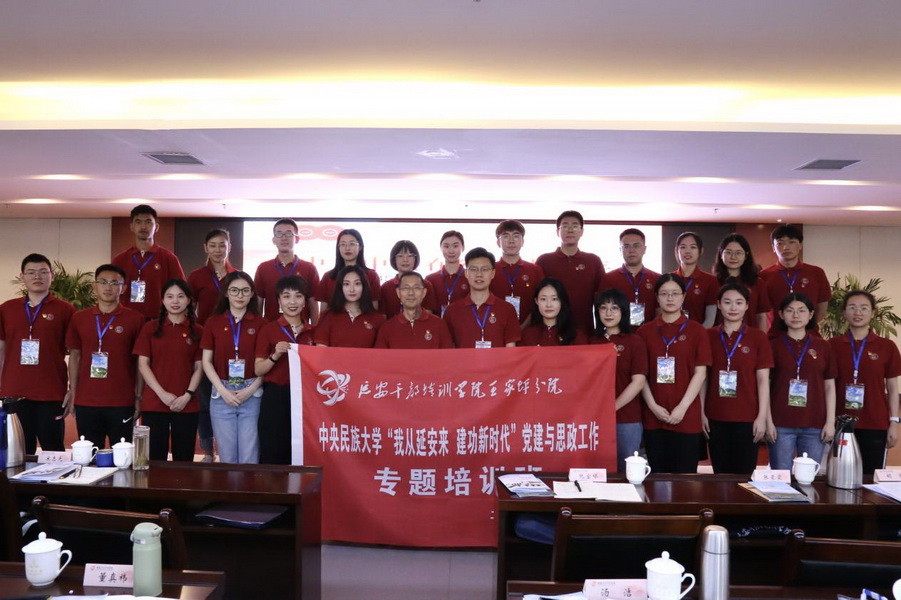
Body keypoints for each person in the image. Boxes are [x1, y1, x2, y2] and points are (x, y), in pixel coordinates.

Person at [0, 253, 75, 453]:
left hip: (51, 392)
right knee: (17, 453)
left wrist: (72, 389)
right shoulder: (7, 309)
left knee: (53, 452)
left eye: (43, 272)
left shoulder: (66, 310)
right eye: (31, 272)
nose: (37, 276)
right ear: (22, 276)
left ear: (52, 276)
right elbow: (1, 349)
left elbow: (76, 354)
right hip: (14, 392)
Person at [636, 274, 711, 473]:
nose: (670, 298)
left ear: (684, 296)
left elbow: (700, 373)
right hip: (654, 416)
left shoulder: (697, 331)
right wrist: (653, 406)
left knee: (685, 478)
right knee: (656, 477)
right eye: (664, 294)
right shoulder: (644, 332)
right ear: (657, 297)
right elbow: (640, 376)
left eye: (675, 293)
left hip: (686, 416)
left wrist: (682, 408)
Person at [65, 264, 145, 447]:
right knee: (89, 457)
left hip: (122, 400)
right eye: (103, 282)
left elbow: (140, 363)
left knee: (123, 456)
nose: (108, 287)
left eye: (114, 283)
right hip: (86, 400)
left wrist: (139, 397)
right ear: (95, 286)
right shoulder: (79, 318)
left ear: (123, 288)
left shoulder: (135, 319)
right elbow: (75, 357)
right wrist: (74, 393)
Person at [701, 283, 774, 474]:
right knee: (720, 475)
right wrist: (701, 412)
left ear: (747, 306)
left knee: (745, 476)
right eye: (727, 302)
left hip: (748, 417)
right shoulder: (708, 336)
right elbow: (703, 379)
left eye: (739, 302)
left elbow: (763, 381)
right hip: (715, 416)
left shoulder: (758, 337)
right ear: (719, 304)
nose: (733, 307)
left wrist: (762, 417)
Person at [828, 290, 901, 474]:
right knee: (839, 476)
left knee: (870, 478)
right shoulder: (832, 345)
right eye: (852, 307)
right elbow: (826, 387)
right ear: (844, 312)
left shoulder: (886, 346)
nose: (858, 312)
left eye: (864, 308)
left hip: (875, 422)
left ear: (873, 312)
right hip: (839, 422)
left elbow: (893, 388)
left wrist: (894, 422)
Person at [134, 279, 204, 462]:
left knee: (184, 459)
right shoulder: (149, 328)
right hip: (155, 402)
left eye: (180, 296)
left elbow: (199, 367)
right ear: (163, 300)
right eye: (170, 296)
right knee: (155, 459)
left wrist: (187, 395)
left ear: (189, 300)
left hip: (187, 403)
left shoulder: (198, 331)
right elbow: (143, 364)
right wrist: (162, 393)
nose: (175, 301)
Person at [200, 271, 265, 464]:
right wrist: (222, 390)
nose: (239, 295)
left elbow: (264, 364)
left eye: (245, 291)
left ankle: (247, 486)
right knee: (227, 457)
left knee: (249, 456)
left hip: (252, 392)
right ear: (226, 293)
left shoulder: (261, 323)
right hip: (221, 393)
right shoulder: (213, 322)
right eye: (234, 290)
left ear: (252, 294)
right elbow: (206, 361)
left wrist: (251, 389)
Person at [767, 293, 837, 471]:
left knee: (808, 478)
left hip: (814, 422)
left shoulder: (823, 347)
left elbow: (829, 387)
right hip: (780, 422)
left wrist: (830, 422)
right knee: (780, 477)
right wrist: (768, 421)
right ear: (781, 314)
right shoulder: (772, 346)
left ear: (811, 314)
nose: (796, 315)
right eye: (790, 311)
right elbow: (765, 386)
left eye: (801, 310)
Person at [187, 228, 236, 461]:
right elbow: (189, 309)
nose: (218, 250)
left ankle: (230, 447)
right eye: (213, 245)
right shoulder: (196, 276)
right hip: (205, 345)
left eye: (222, 245)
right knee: (205, 400)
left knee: (230, 395)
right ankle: (208, 450)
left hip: (232, 345)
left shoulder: (237, 276)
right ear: (205, 248)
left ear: (229, 247)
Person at [255, 276, 315, 464]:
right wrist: (275, 355)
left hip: (306, 398)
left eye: (298, 296)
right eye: (286, 296)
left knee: (302, 448)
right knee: (273, 446)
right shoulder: (269, 329)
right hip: (276, 396)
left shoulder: (313, 331)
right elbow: (258, 369)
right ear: (279, 301)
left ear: (305, 301)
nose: (292, 302)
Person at [591, 288, 647, 472]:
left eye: (614, 308)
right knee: (597, 472)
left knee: (627, 473)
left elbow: (638, 382)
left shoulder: (634, 341)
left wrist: (612, 407)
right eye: (603, 308)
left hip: (626, 419)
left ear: (623, 311)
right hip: (594, 418)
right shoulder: (590, 341)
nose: (608, 313)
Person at [111, 205, 186, 320]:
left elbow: (182, 291)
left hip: (159, 320)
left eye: (148, 222)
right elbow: (111, 290)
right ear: (132, 227)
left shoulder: (169, 258)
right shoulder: (120, 259)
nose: (143, 226)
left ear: (156, 227)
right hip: (126, 319)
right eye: (138, 222)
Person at [536, 211, 604, 334]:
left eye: (575, 226)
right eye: (565, 226)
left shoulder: (593, 261)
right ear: (557, 231)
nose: (570, 230)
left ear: (582, 231)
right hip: (551, 331)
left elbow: (601, 299)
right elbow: (537, 297)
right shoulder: (544, 261)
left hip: (585, 329)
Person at [759, 224, 831, 332]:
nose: (786, 247)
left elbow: (822, 308)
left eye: (791, 242)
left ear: (800, 245)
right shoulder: (764, 276)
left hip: (809, 334)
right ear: (773, 248)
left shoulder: (816, 273)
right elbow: (761, 312)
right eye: (780, 243)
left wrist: (803, 326)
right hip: (775, 335)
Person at [444, 248, 521, 348]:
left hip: (498, 359)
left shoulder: (507, 309)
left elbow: (510, 349)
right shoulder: (452, 311)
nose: (479, 274)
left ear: (493, 273)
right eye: (473, 269)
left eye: (484, 269)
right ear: (466, 273)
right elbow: (449, 349)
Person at [253, 218, 320, 324]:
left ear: (297, 239)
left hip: (302, 329)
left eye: (289, 234)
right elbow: (258, 302)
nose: (284, 238)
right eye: (279, 234)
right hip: (271, 328)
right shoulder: (263, 268)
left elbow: (313, 303)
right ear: (274, 240)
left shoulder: (309, 268)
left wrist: (316, 329)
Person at [598, 228, 659, 328]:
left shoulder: (657, 278)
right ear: (620, 250)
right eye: (626, 246)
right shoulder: (608, 279)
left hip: (649, 333)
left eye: (636, 246)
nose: (631, 250)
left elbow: (660, 310)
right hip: (619, 334)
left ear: (644, 249)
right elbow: (601, 309)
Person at [375, 271, 453, 349]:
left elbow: (448, 355)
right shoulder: (387, 328)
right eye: (406, 288)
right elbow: (380, 356)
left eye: (416, 288)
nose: (411, 293)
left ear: (424, 292)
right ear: (398, 293)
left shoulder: (439, 325)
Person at [314, 265, 386, 348]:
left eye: (357, 283)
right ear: (340, 287)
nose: (352, 289)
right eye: (346, 284)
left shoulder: (378, 319)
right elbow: (321, 352)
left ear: (364, 286)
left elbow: (380, 353)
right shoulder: (327, 317)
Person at [490, 220, 545, 325]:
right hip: (495, 327)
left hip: (529, 329)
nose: (511, 241)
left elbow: (540, 302)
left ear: (522, 241)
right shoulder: (490, 270)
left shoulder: (535, 270)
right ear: (498, 243)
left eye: (516, 236)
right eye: (506, 236)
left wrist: (523, 327)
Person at [712, 233, 770, 330]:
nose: (733, 257)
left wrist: (762, 338)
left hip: (751, 336)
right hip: (719, 336)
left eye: (738, 253)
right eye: (728, 252)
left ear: (746, 255)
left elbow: (761, 317)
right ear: (721, 254)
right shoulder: (712, 282)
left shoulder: (757, 283)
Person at [316, 229, 381, 312]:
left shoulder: (371, 276)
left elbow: (374, 309)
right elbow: (323, 312)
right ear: (338, 248)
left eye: (352, 244)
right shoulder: (328, 277)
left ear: (360, 247)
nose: (347, 248)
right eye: (343, 244)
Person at [379, 240, 438, 318]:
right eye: (400, 256)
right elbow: (383, 317)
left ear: (415, 259)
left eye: (410, 256)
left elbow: (428, 317)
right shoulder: (386, 287)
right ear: (394, 259)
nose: (405, 260)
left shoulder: (425, 285)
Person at [520, 278, 586, 346]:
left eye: (554, 299)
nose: (549, 305)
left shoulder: (576, 335)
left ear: (562, 301)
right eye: (543, 299)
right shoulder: (527, 335)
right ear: (536, 301)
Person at [672, 232, 718, 326]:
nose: (687, 251)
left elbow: (710, 320)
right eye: (683, 247)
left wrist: (698, 333)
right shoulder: (669, 279)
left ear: (701, 251)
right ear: (677, 251)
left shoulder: (710, 281)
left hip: (700, 332)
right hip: (671, 333)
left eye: (693, 247)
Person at [425, 230, 469, 317]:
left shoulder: (470, 277)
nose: (451, 251)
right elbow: (427, 312)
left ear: (463, 248)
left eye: (455, 246)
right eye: (446, 246)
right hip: (437, 324)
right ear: (441, 248)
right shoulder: (430, 279)